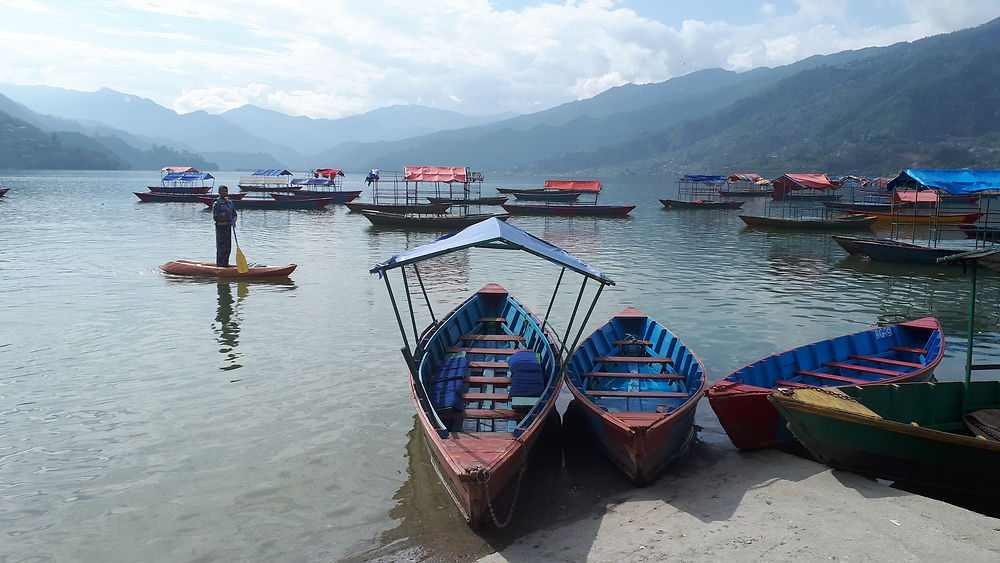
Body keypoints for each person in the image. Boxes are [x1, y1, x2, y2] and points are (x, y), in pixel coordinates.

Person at [212, 185, 238, 267]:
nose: (224, 193)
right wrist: (226, 213)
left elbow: (234, 214)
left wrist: (234, 221)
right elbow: (215, 217)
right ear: (219, 192)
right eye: (223, 191)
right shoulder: (217, 203)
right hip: (220, 228)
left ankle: (226, 264)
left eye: (226, 191)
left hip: (228, 228)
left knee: (228, 247)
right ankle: (220, 265)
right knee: (221, 247)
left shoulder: (230, 203)